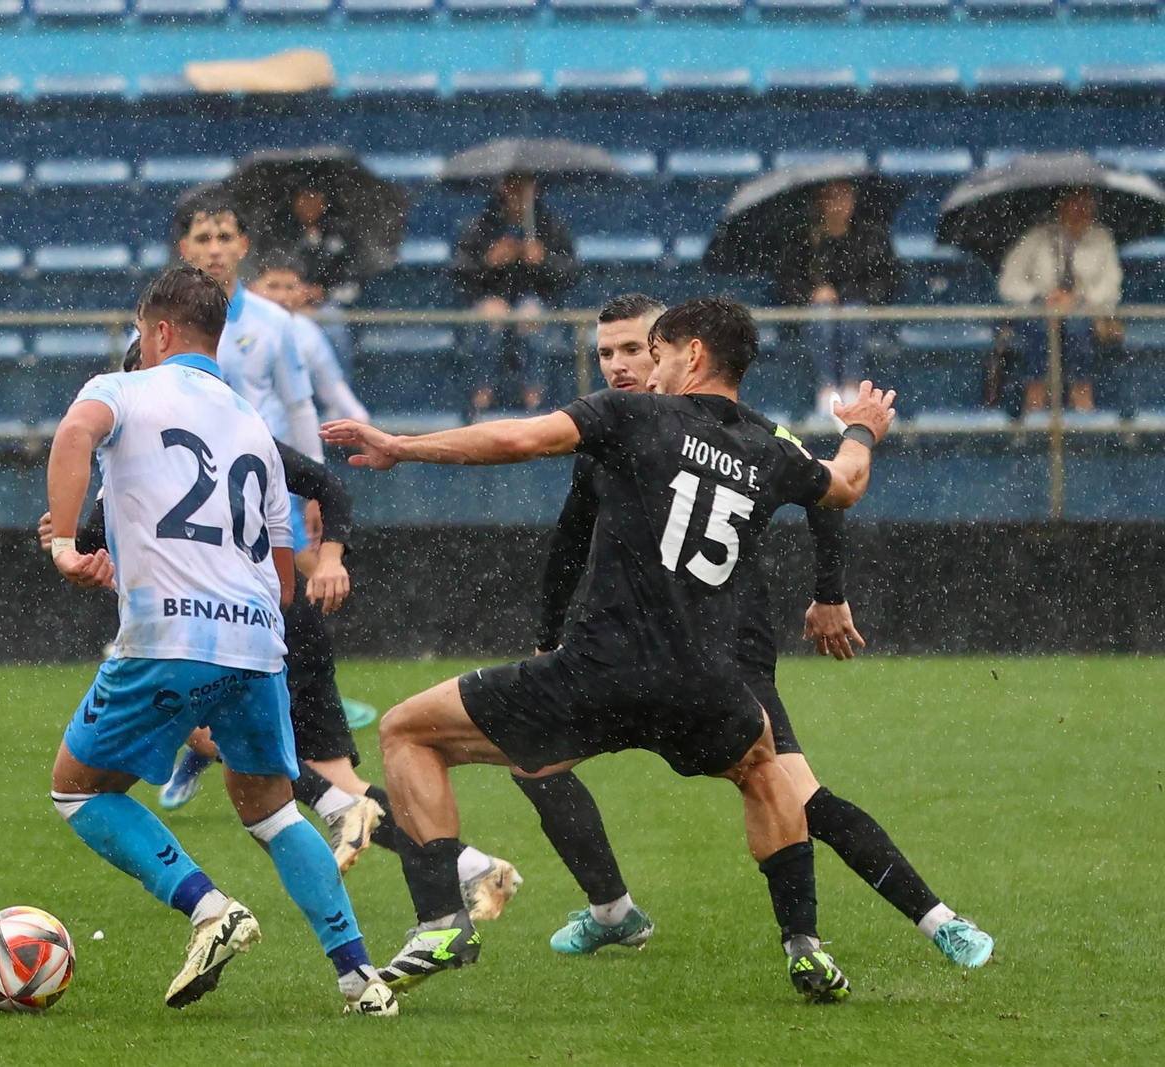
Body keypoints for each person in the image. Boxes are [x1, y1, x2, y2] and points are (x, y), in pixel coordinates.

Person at [321, 297, 898, 1004]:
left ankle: (442, 919)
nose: (643, 369)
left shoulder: (629, 417)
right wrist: (863, 429)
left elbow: (515, 442)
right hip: (707, 684)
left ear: (691, 354)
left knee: (404, 729)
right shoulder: (768, 450)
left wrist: (403, 445)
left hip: (599, 671)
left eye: (654, 353)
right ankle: (803, 944)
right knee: (767, 771)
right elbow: (845, 485)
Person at [520, 293, 995, 968]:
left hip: (721, 654)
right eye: (607, 353)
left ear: (682, 353)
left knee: (800, 795)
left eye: (638, 350)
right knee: (530, 757)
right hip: (631, 653)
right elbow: (570, 539)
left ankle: (939, 920)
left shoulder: (740, 433)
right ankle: (613, 910)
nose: (623, 366)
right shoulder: (610, 434)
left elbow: (824, 491)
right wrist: (547, 637)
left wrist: (829, 593)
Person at [43, 266, 397, 1016]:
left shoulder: (123, 389)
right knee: (272, 810)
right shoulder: (247, 423)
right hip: (260, 642)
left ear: (160, 330)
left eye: (142, 331)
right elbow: (278, 564)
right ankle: (360, 977)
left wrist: (69, 548)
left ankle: (210, 909)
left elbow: (75, 433)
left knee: (77, 788)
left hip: (169, 634)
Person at [175, 193, 323, 459]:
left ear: (243, 245)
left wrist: (317, 485)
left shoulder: (275, 323)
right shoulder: (162, 325)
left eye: (224, 237)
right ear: (185, 249)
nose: (215, 250)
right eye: (203, 239)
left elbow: (298, 407)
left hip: (263, 480)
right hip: (190, 480)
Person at [771, 180, 902, 417]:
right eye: (830, 197)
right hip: (815, 312)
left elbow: (886, 280)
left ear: (854, 200)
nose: (837, 204)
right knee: (824, 317)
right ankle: (827, 387)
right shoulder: (802, 238)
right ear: (820, 202)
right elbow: (787, 282)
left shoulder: (871, 235)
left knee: (852, 314)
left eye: (843, 196)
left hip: (861, 309)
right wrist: (812, 293)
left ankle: (852, 384)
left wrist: (849, 295)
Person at [452, 173, 578, 416]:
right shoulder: (481, 226)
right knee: (490, 316)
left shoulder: (551, 225)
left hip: (537, 302)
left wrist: (544, 260)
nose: (518, 193)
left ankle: (534, 394)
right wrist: (487, 262)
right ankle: (481, 394)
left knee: (531, 314)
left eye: (525, 186)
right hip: (491, 301)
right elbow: (460, 274)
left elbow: (569, 274)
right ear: (501, 188)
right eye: (512, 186)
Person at [999, 187, 1121, 414]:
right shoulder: (1037, 237)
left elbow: (1111, 287)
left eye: (1087, 204)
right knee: (1040, 327)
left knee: (1078, 326)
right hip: (1039, 313)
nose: (1081, 211)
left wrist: (1078, 298)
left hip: (1085, 314)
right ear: (1061, 206)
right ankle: (1035, 397)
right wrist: (1042, 297)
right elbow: (1009, 282)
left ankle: (1081, 394)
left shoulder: (1102, 238)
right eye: (1075, 203)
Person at [249, 251, 371, 424]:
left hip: (295, 437)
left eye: (290, 287)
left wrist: (359, 418)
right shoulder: (230, 327)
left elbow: (332, 387)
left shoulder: (308, 332)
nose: (282, 296)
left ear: (303, 292)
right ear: (254, 289)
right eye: (273, 286)